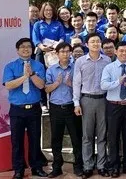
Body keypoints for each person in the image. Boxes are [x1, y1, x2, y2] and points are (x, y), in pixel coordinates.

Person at [3, 38, 48, 179]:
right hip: (17, 109)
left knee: (35, 140)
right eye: (22, 47)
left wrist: (32, 74)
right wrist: (24, 76)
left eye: (29, 46)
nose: (26, 49)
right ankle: (19, 169)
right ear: (17, 50)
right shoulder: (10, 66)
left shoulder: (39, 65)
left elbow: (41, 86)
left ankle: (37, 168)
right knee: (17, 141)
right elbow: (9, 85)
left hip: (34, 109)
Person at [72, 33, 112, 179]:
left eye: (97, 41)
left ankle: (101, 166)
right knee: (87, 136)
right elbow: (76, 83)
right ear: (87, 44)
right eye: (92, 41)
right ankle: (87, 166)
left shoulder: (107, 60)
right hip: (86, 100)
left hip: (103, 100)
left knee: (102, 135)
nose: (95, 44)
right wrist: (76, 103)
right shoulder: (80, 62)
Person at [100, 42, 126, 177]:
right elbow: (103, 85)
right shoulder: (109, 67)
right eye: (121, 51)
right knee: (113, 137)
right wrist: (118, 82)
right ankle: (114, 166)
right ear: (116, 51)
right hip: (113, 105)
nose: (124, 53)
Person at [45, 42, 83, 178]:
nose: (65, 54)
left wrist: (70, 84)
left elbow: (81, 88)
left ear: (71, 53)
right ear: (57, 54)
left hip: (72, 107)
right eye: (62, 51)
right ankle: (57, 167)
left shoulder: (76, 68)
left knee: (76, 138)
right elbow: (46, 89)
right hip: (56, 108)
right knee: (56, 139)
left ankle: (78, 166)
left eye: (68, 51)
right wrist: (56, 83)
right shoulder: (51, 70)